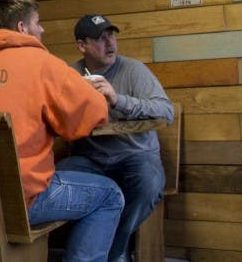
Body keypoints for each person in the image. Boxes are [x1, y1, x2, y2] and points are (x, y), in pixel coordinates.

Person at [0, 0, 123, 262]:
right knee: (110, 194)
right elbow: (93, 114)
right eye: (38, 23)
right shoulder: (41, 63)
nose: (42, 30)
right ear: (22, 27)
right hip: (19, 203)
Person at [56, 14, 174, 262]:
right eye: (100, 38)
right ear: (82, 45)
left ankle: (115, 249)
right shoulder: (70, 75)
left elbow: (166, 111)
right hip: (91, 159)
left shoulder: (134, 70)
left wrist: (116, 98)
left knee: (150, 183)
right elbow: (54, 118)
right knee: (52, 180)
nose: (110, 43)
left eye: (112, 35)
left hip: (135, 156)